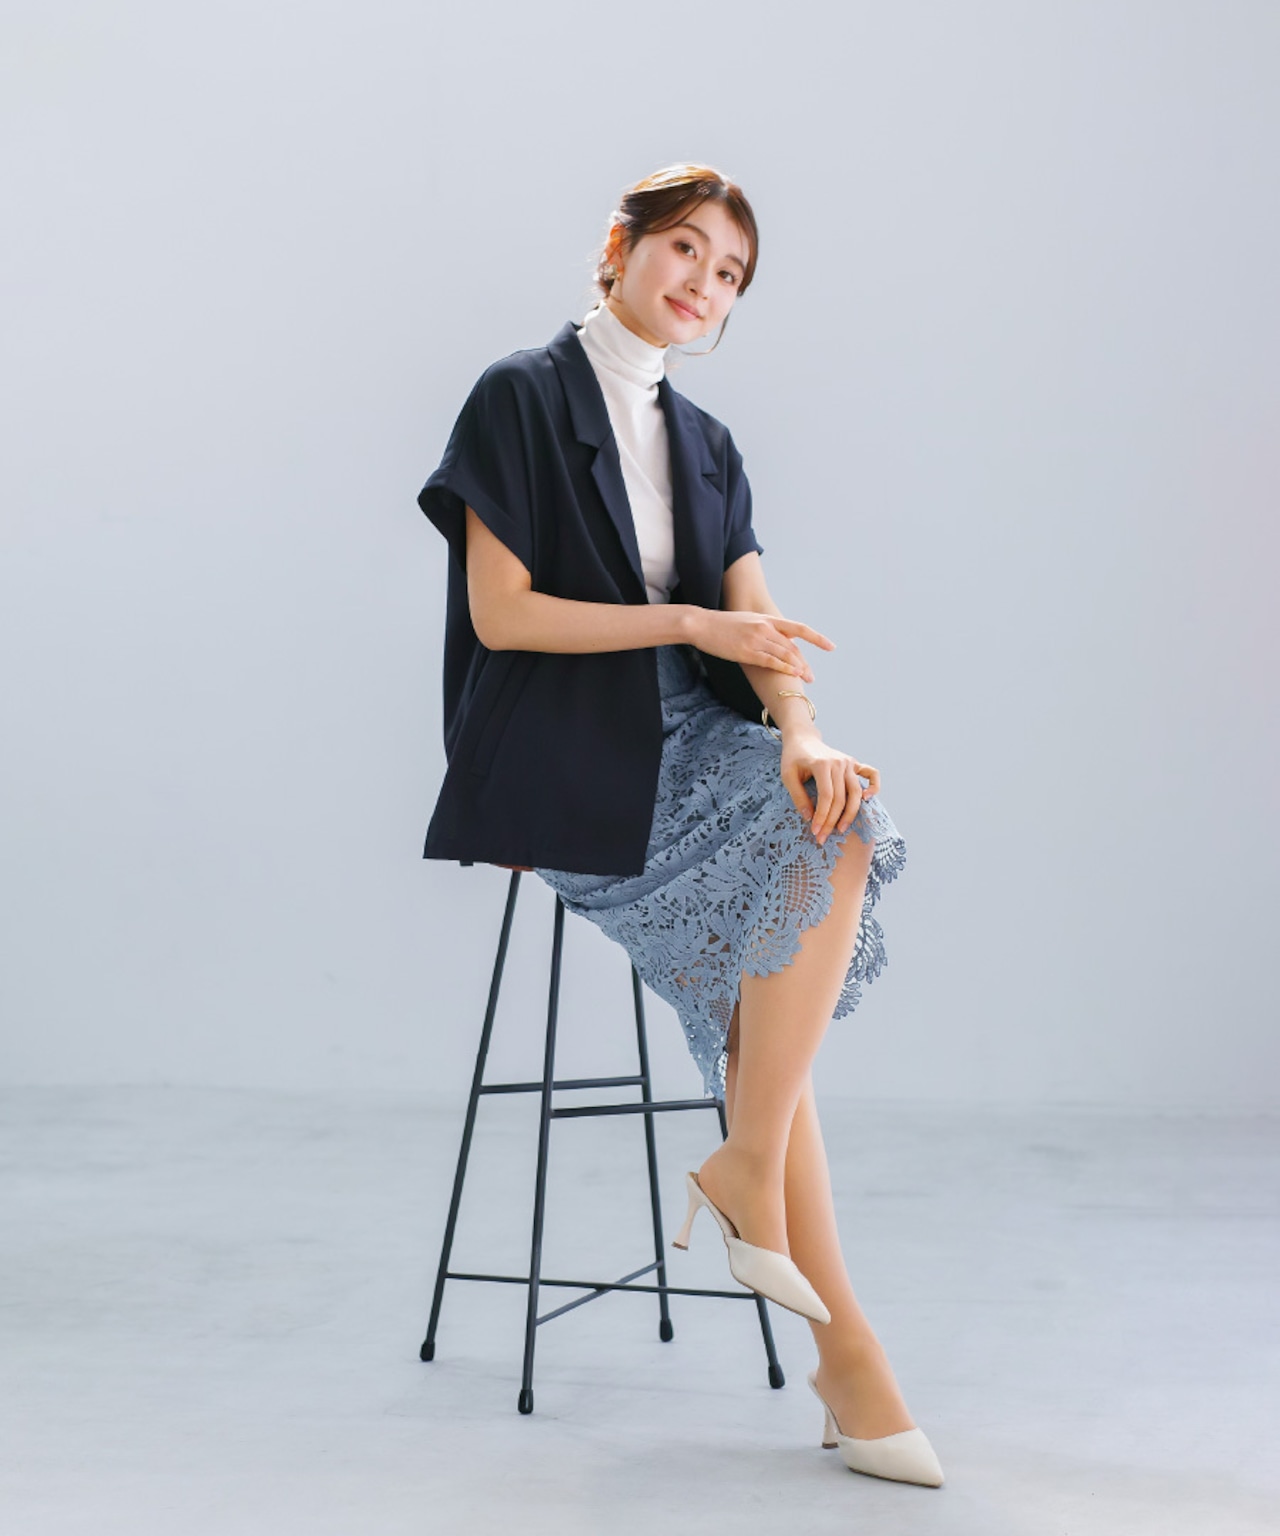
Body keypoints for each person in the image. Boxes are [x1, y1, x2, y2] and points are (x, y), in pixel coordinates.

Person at [416, 163, 943, 1488]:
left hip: (694, 738)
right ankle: (844, 1351)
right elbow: (503, 615)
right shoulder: (521, 395)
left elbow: (759, 623)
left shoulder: (707, 442)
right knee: (784, 943)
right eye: (688, 250)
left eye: (731, 275)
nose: (705, 284)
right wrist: (690, 620)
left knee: (839, 812)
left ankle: (757, 1186)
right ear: (622, 245)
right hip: (560, 752)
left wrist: (802, 732)